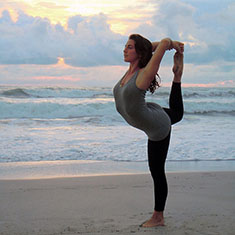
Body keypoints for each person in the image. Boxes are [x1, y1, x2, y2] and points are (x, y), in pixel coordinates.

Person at [113, 34, 184, 227]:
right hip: (152, 113)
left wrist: (171, 44)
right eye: (125, 46)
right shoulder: (130, 72)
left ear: (138, 52)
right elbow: (148, 48)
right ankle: (178, 76)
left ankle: (158, 217)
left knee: (156, 170)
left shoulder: (144, 76)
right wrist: (165, 46)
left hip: (157, 127)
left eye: (129, 47)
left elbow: (163, 43)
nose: (124, 50)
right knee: (176, 113)